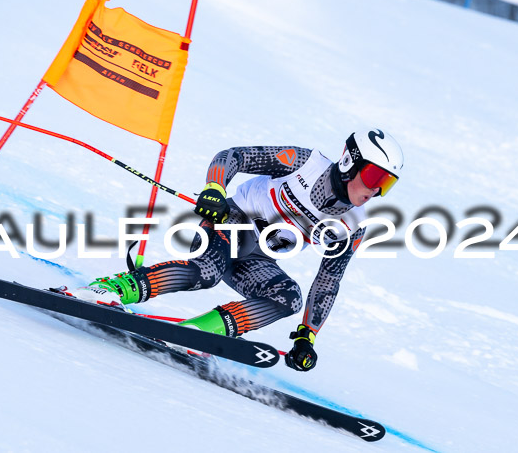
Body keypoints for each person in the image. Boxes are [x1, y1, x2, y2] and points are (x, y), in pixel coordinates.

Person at [62, 127, 404, 371]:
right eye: (374, 177)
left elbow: (329, 280)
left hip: (255, 259)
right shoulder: (304, 163)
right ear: (349, 162)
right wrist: (214, 188)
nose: (375, 191)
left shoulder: (353, 224)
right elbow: (234, 157)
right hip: (229, 222)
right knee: (206, 273)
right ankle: (104, 290)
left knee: (288, 298)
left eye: (386, 184)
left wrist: (307, 336)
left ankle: (196, 333)